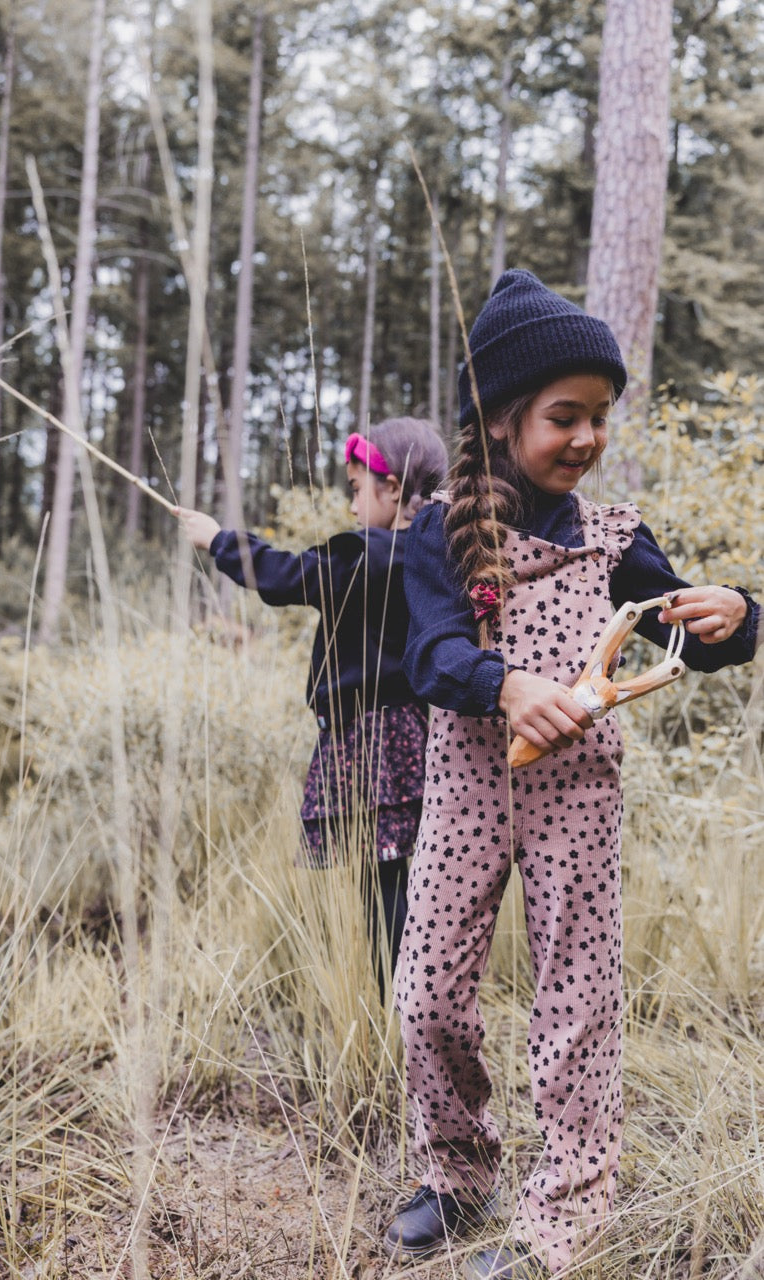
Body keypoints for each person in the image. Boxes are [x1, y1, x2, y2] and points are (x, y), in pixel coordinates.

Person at [383, 271, 760, 1277]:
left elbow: (684, 628)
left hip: (578, 798)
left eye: (598, 416)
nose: (587, 436)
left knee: (576, 1000)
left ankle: (564, 1217)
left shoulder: (614, 538)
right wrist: (502, 686)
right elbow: (425, 654)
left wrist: (735, 614)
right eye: (564, 416)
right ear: (503, 418)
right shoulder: (434, 533)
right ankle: (455, 1173)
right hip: (466, 790)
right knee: (424, 993)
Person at [176, 417, 448, 998]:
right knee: (403, 874)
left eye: (357, 489)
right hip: (419, 735)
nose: (352, 507)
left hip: (378, 737)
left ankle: (403, 1010)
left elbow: (288, 577)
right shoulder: (436, 552)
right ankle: (412, 1006)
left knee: (387, 885)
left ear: (394, 488)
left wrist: (218, 540)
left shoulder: (373, 557)